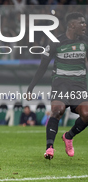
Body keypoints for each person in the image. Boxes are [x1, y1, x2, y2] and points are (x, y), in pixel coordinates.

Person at [27, 12, 88, 160]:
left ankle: (68, 136)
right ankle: (49, 148)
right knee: (57, 110)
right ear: (72, 25)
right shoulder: (55, 42)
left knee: (86, 114)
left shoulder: (85, 41)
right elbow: (42, 66)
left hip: (79, 85)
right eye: (82, 23)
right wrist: (31, 87)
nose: (85, 25)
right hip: (61, 84)